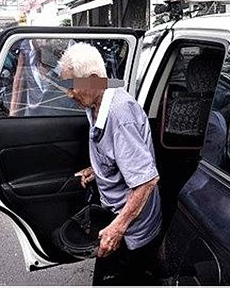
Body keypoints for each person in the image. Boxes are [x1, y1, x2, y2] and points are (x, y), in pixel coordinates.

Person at [59, 42, 162, 285]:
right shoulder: (95, 102)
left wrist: (118, 228)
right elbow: (117, 153)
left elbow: (147, 180)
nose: (69, 93)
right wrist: (97, 169)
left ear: (93, 79)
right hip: (115, 215)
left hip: (131, 229)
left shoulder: (119, 113)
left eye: (72, 86)